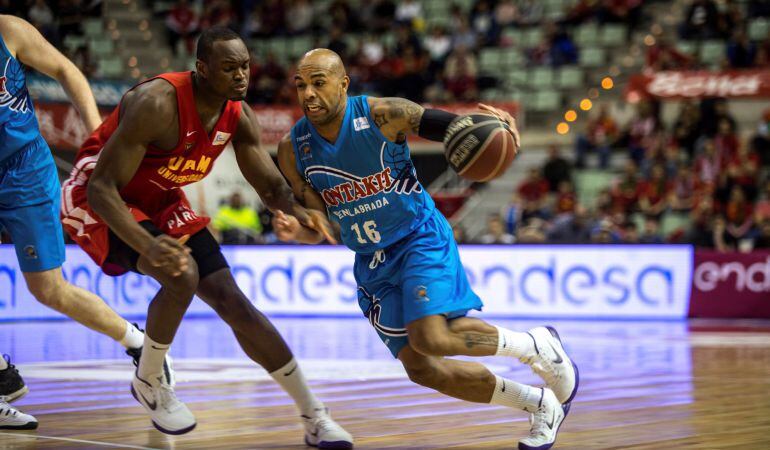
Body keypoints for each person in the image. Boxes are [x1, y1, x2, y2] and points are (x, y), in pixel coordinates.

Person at [60, 27, 352, 447]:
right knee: (181, 273)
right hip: (97, 193)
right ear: (202, 69)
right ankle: (149, 382)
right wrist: (147, 243)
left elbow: (272, 189)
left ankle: (314, 416)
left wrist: (302, 212)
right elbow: (103, 188)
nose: (242, 76)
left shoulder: (238, 114)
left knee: (235, 302)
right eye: (229, 67)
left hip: (158, 196)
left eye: (246, 66)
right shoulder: (157, 103)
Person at [273, 48, 578, 450]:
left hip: (418, 237)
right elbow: (321, 228)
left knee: (431, 337)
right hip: (371, 262)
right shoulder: (293, 150)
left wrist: (497, 126)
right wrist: (299, 230)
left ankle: (535, 346)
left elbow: (457, 129)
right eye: (301, 85)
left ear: (344, 84)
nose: (308, 93)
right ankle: (539, 405)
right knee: (422, 368)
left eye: (318, 82)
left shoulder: (384, 113)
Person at [0, 15, 172, 430]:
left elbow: (66, 69)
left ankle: (133, 341)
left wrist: (97, 134)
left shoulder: (7, 30)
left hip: (25, 171)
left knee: (49, 289)